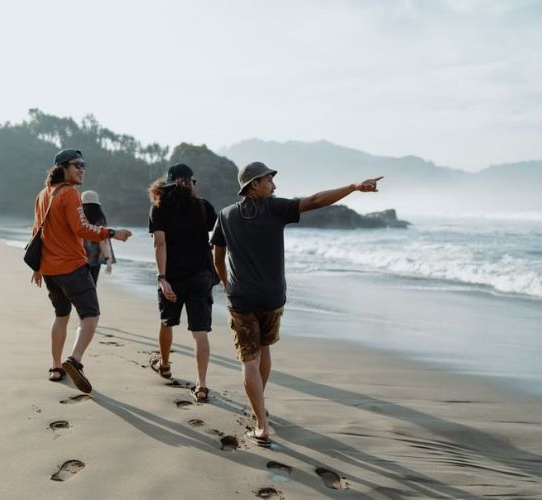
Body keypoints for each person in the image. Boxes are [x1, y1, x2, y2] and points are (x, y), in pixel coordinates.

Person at [210, 161, 382, 446]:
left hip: (241, 298)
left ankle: (261, 425)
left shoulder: (226, 215)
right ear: (254, 184)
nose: (274, 186)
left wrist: (226, 282)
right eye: (269, 181)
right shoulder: (275, 208)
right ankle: (259, 409)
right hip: (272, 297)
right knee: (264, 349)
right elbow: (315, 201)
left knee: (249, 360)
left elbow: (217, 256)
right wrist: (353, 187)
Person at [30, 148, 132, 391]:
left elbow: (36, 231)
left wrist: (37, 267)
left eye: (84, 165)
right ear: (63, 167)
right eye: (78, 165)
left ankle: (56, 367)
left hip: (50, 270)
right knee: (91, 315)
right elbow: (82, 228)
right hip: (72, 267)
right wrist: (112, 233)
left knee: (61, 315)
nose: (82, 170)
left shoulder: (43, 194)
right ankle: (74, 361)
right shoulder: (69, 193)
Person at [148, 163, 218, 402]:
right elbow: (220, 236)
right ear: (189, 183)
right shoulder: (203, 206)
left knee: (167, 322)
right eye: (193, 182)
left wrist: (162, 278)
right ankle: (201, 385)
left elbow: (159, 244)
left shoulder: (158, 208)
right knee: (200, 332)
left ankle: (165, 365)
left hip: (173, 277)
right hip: (201, 275)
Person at [81, 190, 114, 285]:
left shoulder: (77, 218)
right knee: (91, 286)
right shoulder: (99, 218)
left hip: (78, 258)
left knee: (78, 288)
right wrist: (108, 259)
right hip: (94, 260)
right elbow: (103, 240)